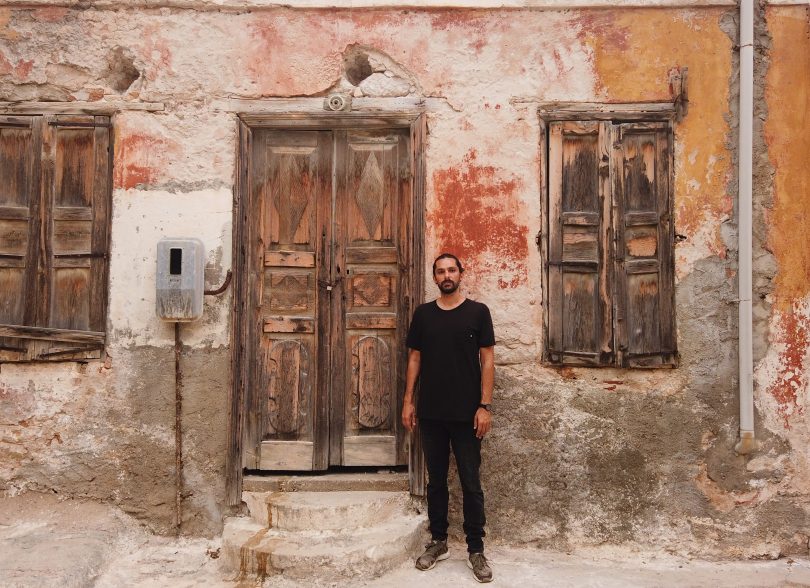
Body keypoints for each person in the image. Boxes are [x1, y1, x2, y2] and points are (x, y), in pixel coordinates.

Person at [402, 252, 495, 584]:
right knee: (436, 481)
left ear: (460, 274)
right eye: (440, 271)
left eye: (451, 270)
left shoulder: (478, 313)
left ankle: (476, 549)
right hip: (431, 413)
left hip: (467, 414)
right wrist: (408, 401)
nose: (446, 275)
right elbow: (415, 359)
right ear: (435, 277)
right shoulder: (423, 315)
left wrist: (484, 406)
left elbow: (487, 360)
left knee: (471, 482)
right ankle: (438, 541)